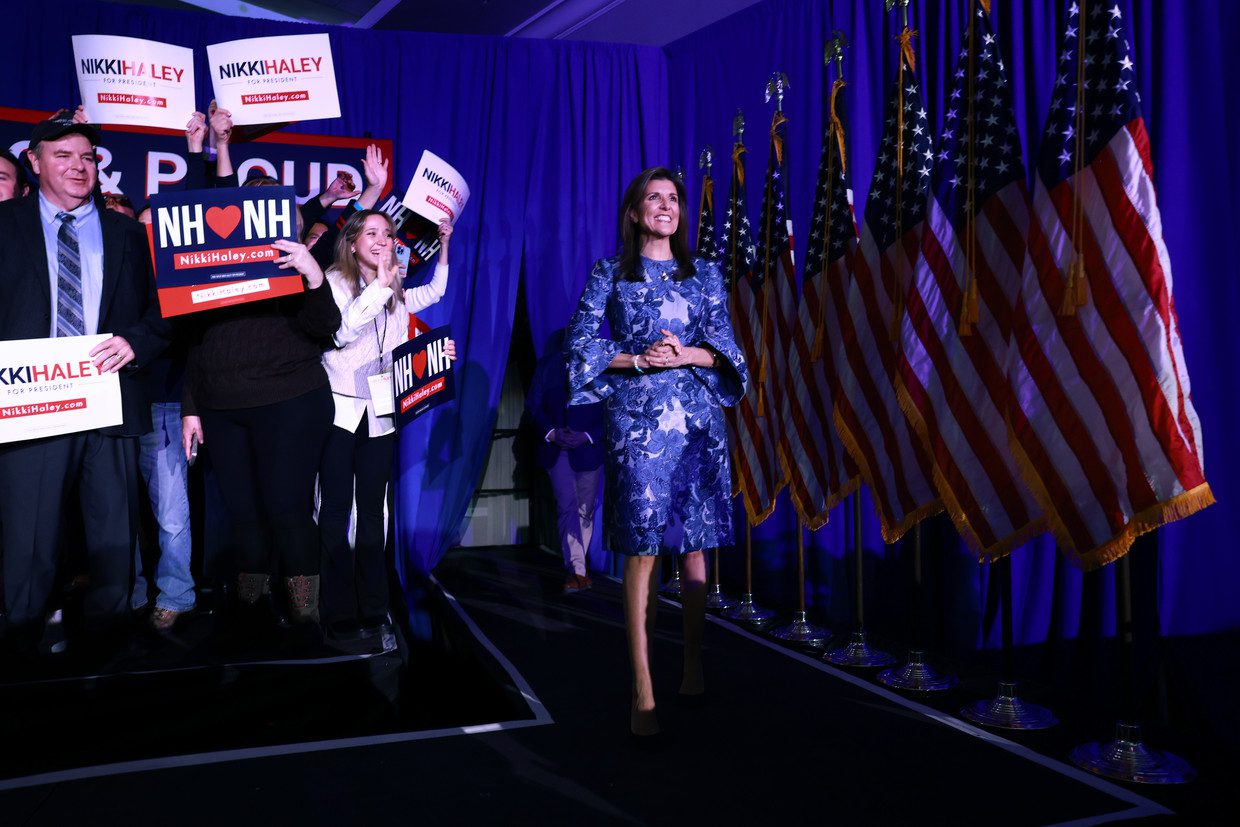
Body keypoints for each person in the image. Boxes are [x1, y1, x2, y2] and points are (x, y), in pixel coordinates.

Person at [565, 166, 746, 738]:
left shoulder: (706, 274)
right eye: (654, 198)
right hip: (638, 424)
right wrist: (640, 359)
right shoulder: (609, 274)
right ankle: (642, 687)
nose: (665, 206)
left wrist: (685, 352)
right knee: (641, 548)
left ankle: (692, 660)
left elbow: (727, 351)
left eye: (673, 198)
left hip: (696, 422)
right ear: (635, 211)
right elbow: (579, 349)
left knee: (694, 546)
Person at [0, 112, 170, 655]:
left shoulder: (127, 231)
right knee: (29, 540)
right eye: (63, 156)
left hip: (110, 399)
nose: (78, 167)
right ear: (34, 161)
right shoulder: (5, 224)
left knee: (114, 538)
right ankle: (20, 649)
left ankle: (108, 654)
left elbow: (165, 308)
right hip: (32, 403)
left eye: (87, 158)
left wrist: (137, 342)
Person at [319, 210, 455, 641]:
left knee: (375, 514)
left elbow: (433, 291)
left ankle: (374, 605)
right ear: (352, 241)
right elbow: (342, 332)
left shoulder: (394, 287)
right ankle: (336, 606)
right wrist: (380, 284)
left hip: (380, 413)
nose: (382, 239)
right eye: (372, 233)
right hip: (339, 411)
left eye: (388, 233)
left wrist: (444, 247)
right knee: (335, 511)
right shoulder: (334, 282)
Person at [526, 328, 604, 593]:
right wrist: (551, 432)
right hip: (556, 450)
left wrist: (587, 436)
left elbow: (610, 410)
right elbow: (533, 407)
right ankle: (576, 571)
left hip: (588, 451)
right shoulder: (548, 366)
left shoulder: (599, 366)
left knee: (585, 510)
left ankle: (579, 568)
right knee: (567, 506)